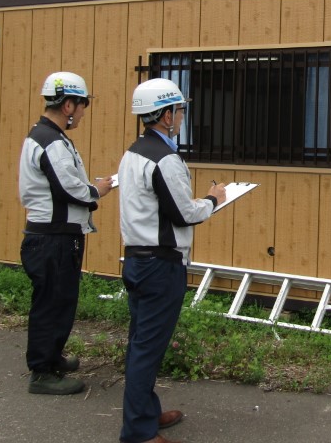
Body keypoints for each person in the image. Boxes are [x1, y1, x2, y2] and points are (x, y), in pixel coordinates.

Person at [119, 78, 226, 443]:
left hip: (138, 259)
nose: (182, 116)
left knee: (141, 343)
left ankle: (146, 413)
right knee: (147, 349)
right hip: (160, 265)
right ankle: (139, 432)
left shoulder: (134, 152)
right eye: (180, 110)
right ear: (166, 115)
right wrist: (213, 199)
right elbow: (184, 214)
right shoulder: (165, 159)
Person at [19, 71, 114, 395]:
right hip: (53, 237)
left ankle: (51, 357)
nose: (84, 112)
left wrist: (91, 188)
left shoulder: (46, 136)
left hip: (54, 236)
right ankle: (42, 373)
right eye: (83, 104)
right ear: (69, 105)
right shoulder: (51, 141)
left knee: (59, 300)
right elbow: (68, 188)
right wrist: (97, 190)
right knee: (52, 303)